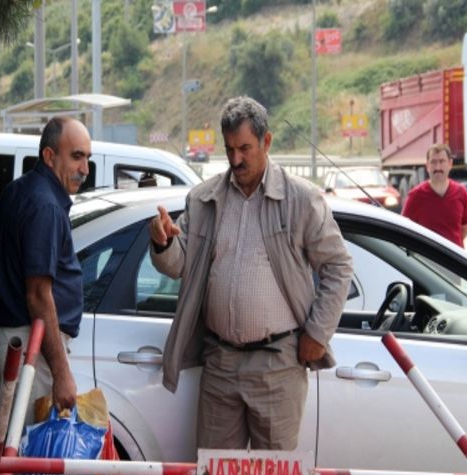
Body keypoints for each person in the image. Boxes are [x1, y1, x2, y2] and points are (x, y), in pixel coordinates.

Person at [149, 96, 353, 450]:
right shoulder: (204, 199)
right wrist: (163, 243)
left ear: (267, 142)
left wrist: (317, 334)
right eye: (229, 149)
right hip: (220, 363)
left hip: (278, 365)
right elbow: (181, 263)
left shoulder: (300, 199)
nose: (236, 159)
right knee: (215, 473)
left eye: (244, 148)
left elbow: (338, 266)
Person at [0, 116, 91, 411]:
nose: (85, 169)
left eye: (87, 158)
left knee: (17, 449)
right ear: (49, 156)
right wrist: (61, 373)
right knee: (28, 452)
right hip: (32, 350)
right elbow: (38, 294)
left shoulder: (21, 190)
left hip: (23, 343)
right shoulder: (46, 205)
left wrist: (8, 299)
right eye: (76, 157)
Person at [402, 143, 467, 247]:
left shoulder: (461, 192)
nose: (438, 167)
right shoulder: (415, 196)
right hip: (426, 260)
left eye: (442, 161)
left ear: (450, 164)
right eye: (433, 162)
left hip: (454, 259)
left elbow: (465, 228)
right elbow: (405, 229)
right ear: (427, 166)